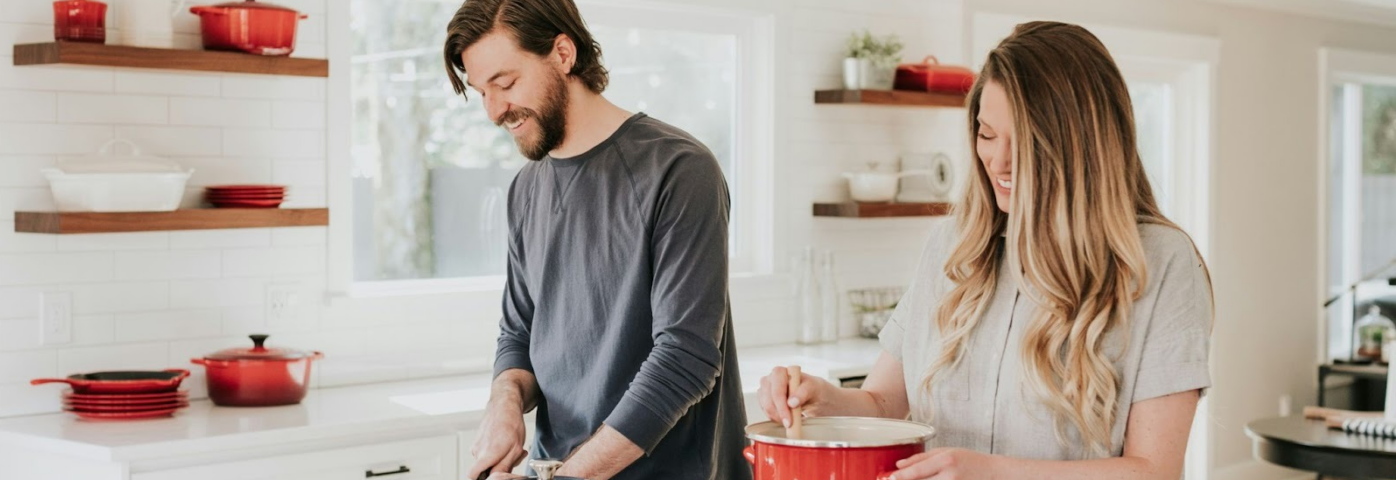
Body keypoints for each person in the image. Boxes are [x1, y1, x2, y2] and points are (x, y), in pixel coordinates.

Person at [758, 21, 1214, 480]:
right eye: (987, 134)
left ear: (1081, 146)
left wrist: (993, 473)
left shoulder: (1161, 261)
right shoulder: (952, 246)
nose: (999, 161)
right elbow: (883, 404)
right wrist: (821, 400)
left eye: (1026, 141)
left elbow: (1154, 469)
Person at [442, 1, 750, 479]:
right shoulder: (526, 189)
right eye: (483, 92)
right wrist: (504, 402)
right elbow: (520, 333)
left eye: (506, 83)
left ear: (563, 53)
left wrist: (569, 476)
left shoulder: (679, 170)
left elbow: (685, 358)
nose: (494, 110)